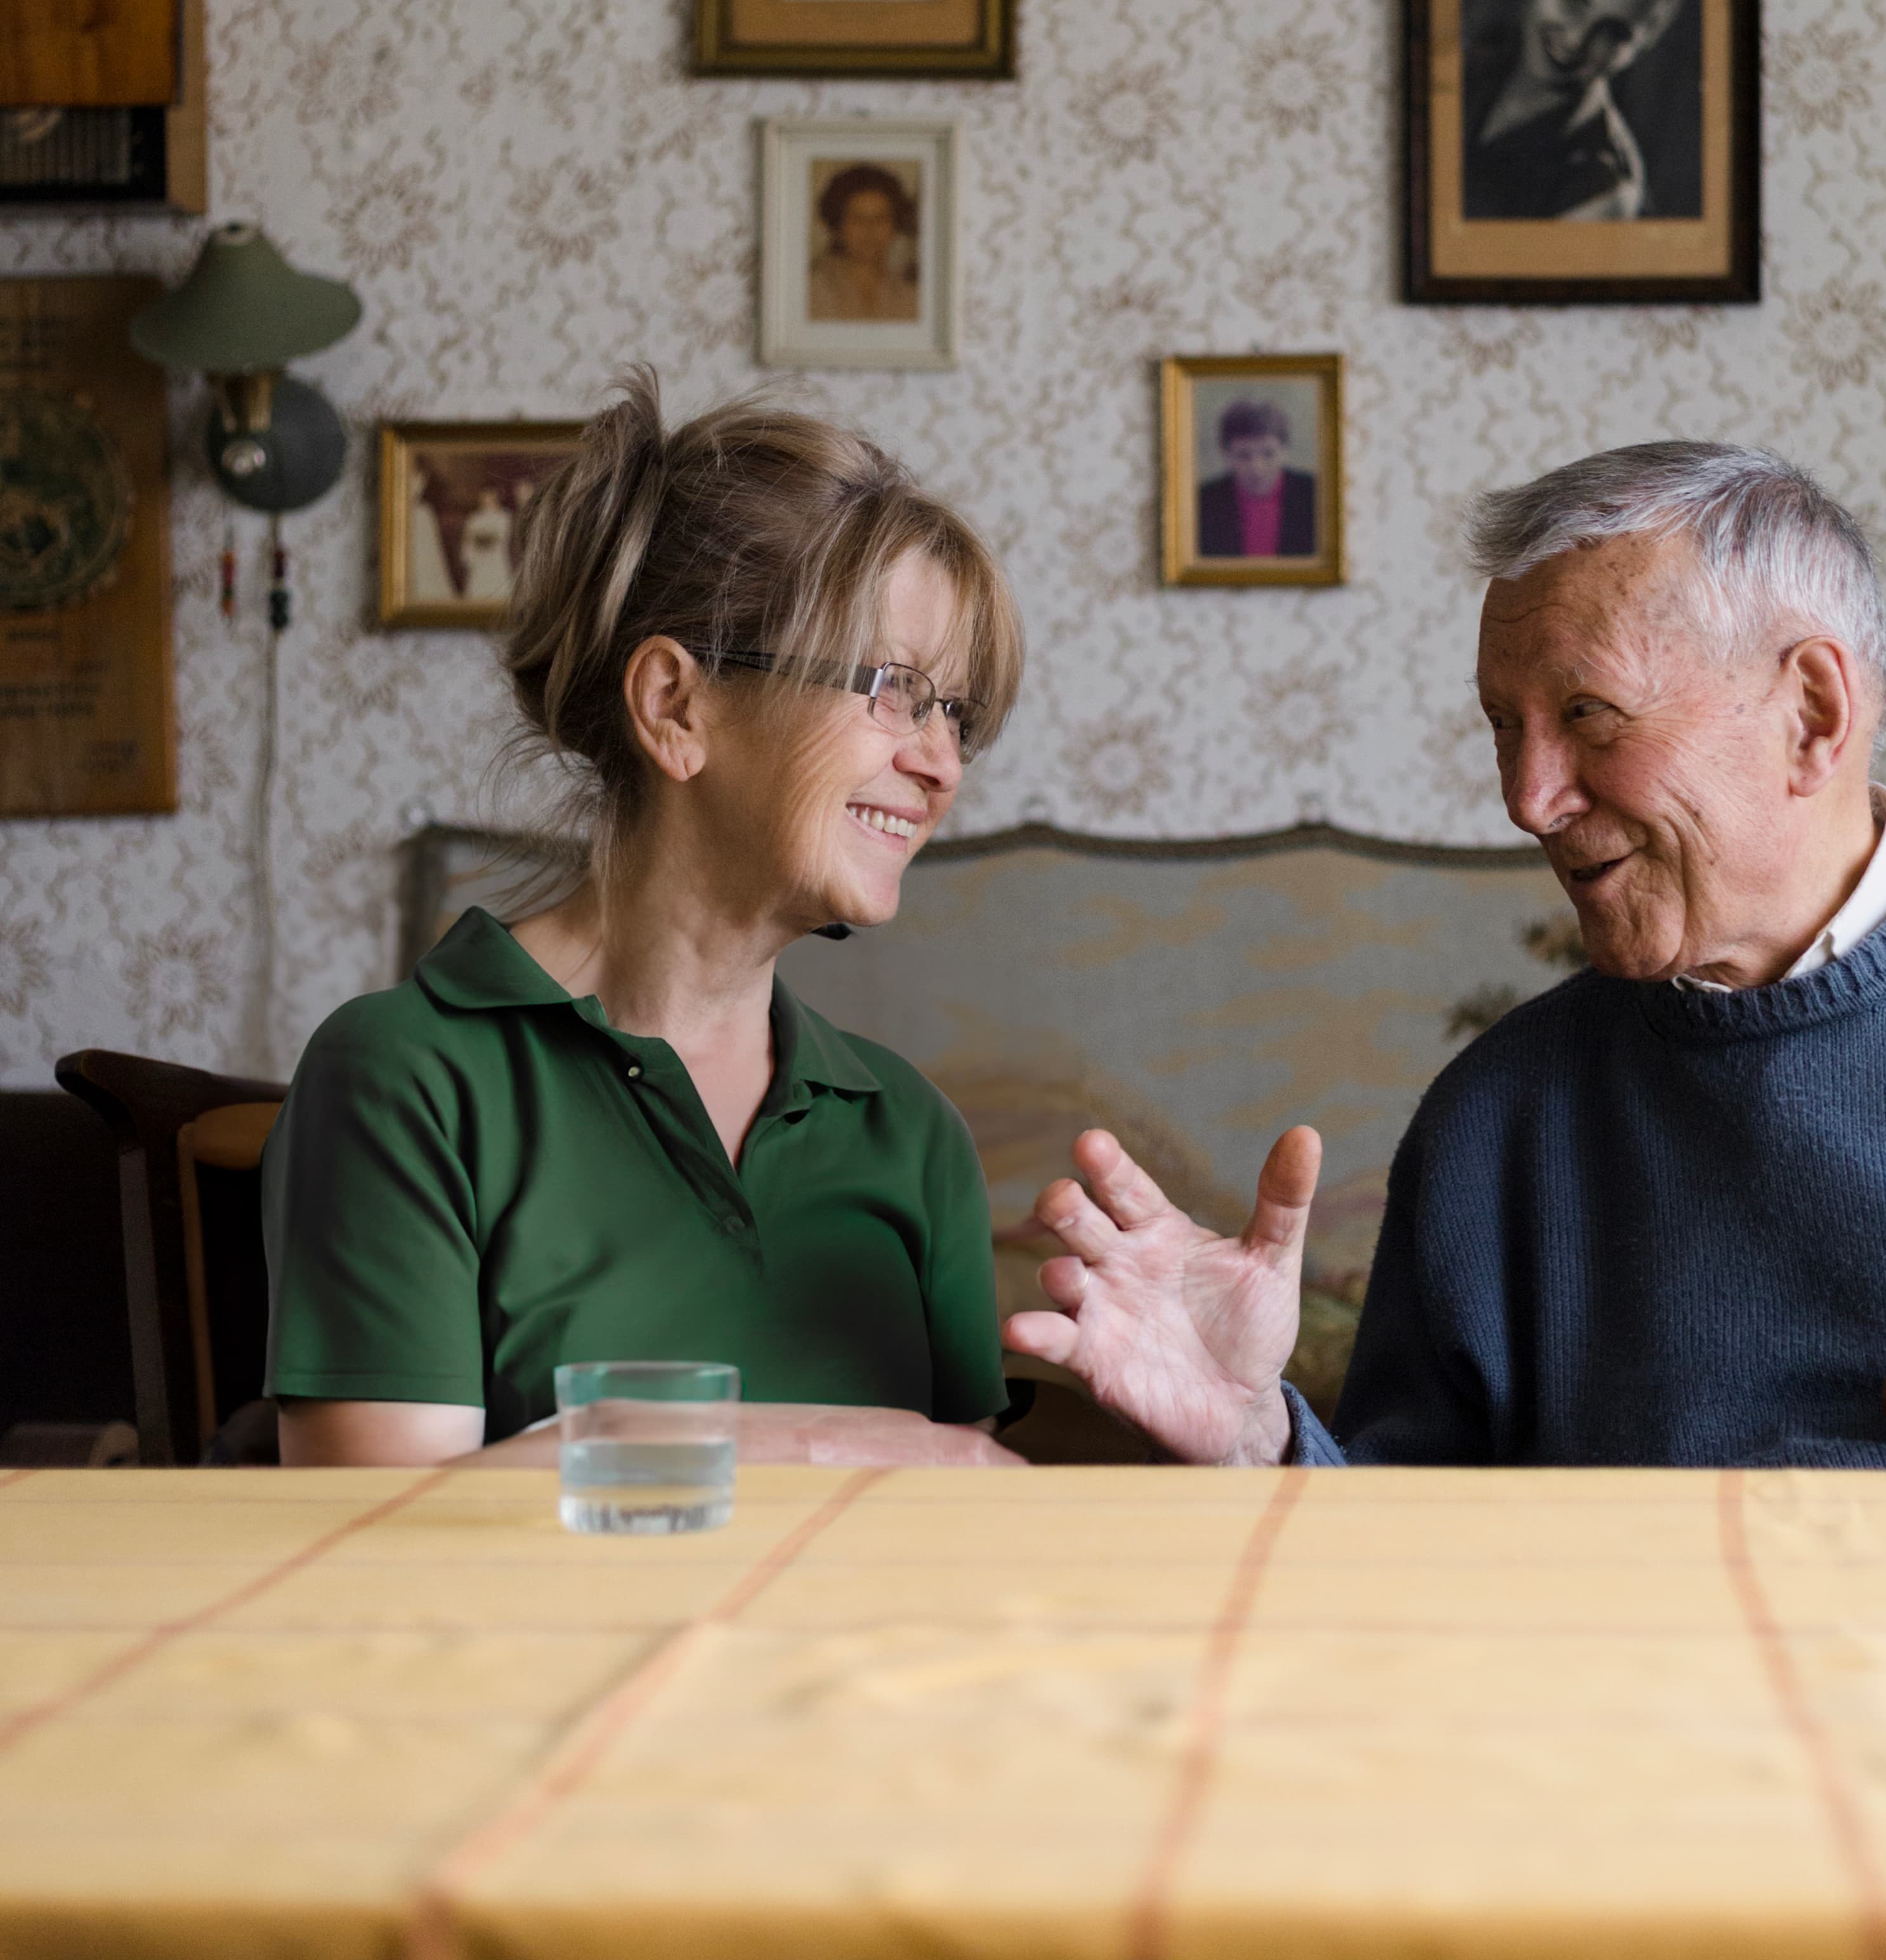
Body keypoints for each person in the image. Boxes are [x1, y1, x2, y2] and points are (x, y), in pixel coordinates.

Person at [1011, 440, 1886, 1506]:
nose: (1525, 794)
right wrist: (1260, 1435)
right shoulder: (1501, 1117)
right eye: (1502, 726)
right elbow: (1405, 1563)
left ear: (1811, 711)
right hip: (1648, 1826)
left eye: (1583, 715)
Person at [263, 376, 1023, 1473]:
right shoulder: (403, 1075)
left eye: (956, 712)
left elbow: (951, 1518)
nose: (940, 761)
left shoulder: (909, 1134)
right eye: (894, 689)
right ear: (674, 703)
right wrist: (817, 1441)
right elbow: (371, 1530)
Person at [1461, 0, 1693, 224]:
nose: (1576, 41)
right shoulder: (1467, 59)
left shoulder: (1600, 189)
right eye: (1573, 0)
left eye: (1612, 32)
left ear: (1639, 51)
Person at [1196, 397, 1316, 561]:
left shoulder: (1315, 495)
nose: (1256, 467)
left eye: (1268, 454)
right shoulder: (1202, 502)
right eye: (1244, 455)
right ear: (1226, 454)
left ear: (1285, 450)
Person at [804, 161, 920, 325]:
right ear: (838, 227)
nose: (869, 229)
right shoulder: (810, 292)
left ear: (895, 226)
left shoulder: (913, 299)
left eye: (880, 219)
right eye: (857, 219)